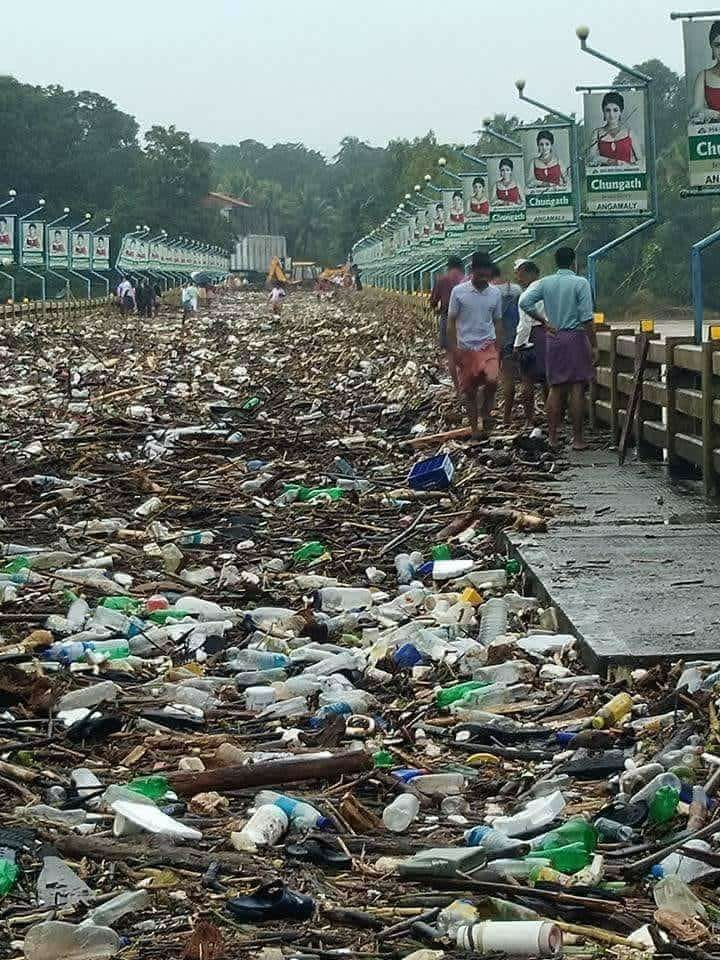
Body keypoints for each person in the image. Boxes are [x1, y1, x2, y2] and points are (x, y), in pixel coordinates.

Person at [518, 246, 595, 451]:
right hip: (575, 337)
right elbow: (587, 317)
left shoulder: (545, 283)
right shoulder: (581, 283)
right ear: (573, 262)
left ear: (556, 263)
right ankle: (577, 439)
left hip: (554, 337)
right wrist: (593, 344)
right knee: (577, 387)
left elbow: (524, 301)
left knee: (555, 388)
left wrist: (542, 321)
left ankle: (552, 437)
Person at [447, 251, 503, 441]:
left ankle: (486, 412)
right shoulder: (459, 292)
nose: (483, 278)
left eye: (486, 273)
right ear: (472, 271)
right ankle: (475, 430)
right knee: (469, 392)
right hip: (466, 347)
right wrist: (453, 348)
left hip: (487, 345)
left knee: (492, 380)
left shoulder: (495, 293)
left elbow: (497, 321)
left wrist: (499, 346)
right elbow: (451, 321)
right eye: (479, 274)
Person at [512, 260, 547, 425]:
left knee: (527, 380)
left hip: (532, 336)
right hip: (549, 334)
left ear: (526, 271)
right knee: (549, 379)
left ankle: (530, 418)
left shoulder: (526, 295)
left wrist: (518, 345)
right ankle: (553, 415)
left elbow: (524, 324)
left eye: (518, 273)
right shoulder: (548, 289)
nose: (517, 277)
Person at [430, 255, 465, 389]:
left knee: (451, 354)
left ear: (448, 266)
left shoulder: (442, 279)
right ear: (461, 267)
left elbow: (433, 301)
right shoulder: (466, 279)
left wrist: (436, 308)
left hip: (448, 318)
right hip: (466, 319)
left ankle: (458, 388)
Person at [589, 91, 643, 167]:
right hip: (603, 177)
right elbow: (591, 158)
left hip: (627, 177)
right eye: (608, 110)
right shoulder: (597, 133)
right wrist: (610, 161)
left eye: (615, 110)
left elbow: (640, 160)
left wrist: (628, 165)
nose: (611, 114)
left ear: (620, 112)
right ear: (603, 112)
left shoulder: (629, 133)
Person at [691, 20, 720, 122]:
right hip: (714, 135)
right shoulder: (703, 77)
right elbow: (696, 110)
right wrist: (706, 112)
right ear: (711, 47)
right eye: (718, 45)